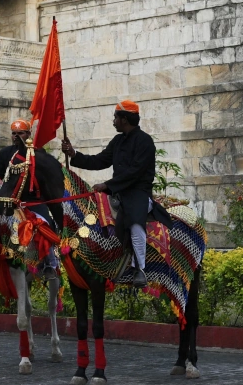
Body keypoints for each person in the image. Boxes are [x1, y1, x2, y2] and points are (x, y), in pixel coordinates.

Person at [61, 100, 172, 288]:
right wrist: (73, 154)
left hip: (138, 193)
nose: (113, 121)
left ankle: (140, 269)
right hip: (119, 192)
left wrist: (108, 184)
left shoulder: (145, 141)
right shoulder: (118, 141)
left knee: (135, 222)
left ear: (125, 119)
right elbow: (99, 161)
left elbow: (135, 172)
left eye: (116, 117)